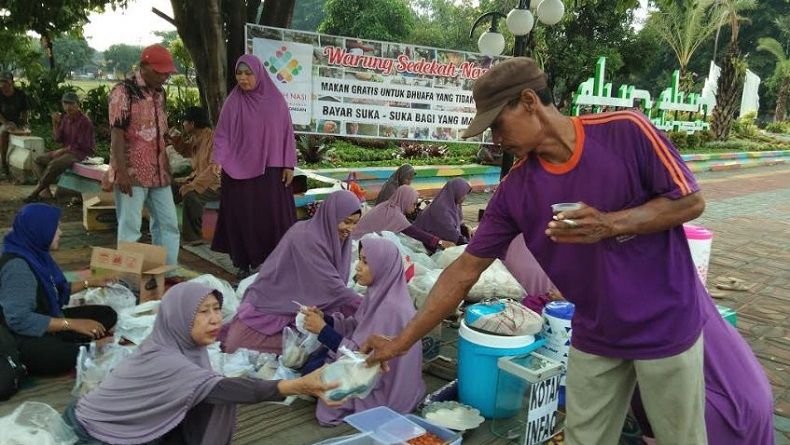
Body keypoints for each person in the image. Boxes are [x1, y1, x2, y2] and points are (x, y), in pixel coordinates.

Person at [362, 58, 710, 445]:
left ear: (529, 101)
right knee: (584, 439)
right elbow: (463, 272)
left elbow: (690, 202)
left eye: (497, 123)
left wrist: (610, 225)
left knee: (681, 438)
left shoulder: (626, 132)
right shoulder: (516, 190)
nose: (495, 139)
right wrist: (400, 342)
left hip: (664, 321)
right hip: (595, 331)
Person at [62, 282, 338, 445]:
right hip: (92, 434)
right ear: (178, 316)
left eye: (217, 309)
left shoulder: (183, 346)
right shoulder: (166, 357)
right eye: (203, 312)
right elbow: (228, 389)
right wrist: (298, 385)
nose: (215, 319)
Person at [300, 237, 425, 425]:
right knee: (313, 366)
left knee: (318, 380)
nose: (358, 266)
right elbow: (357, 326)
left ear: (383, 267)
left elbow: (363, 358)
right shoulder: (380, 294)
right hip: (372, 367)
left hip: (384, 384)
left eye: (366, 262)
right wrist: (324, 319)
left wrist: (323, 330)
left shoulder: (391, 308)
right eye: (359, 259)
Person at [222, 190, 362, 354]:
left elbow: (334, 290)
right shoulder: (306, 237)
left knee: (323, 340)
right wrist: (370, 306)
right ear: (332, 216)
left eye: (355, 223)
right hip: (272, 305)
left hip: (305, 308)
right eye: (346, 221)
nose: (350, 229)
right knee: (238, 343)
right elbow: (334, 289)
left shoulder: (335, 239)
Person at [632, 296, 774, 445]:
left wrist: (649, 433)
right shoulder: (683, 287)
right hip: (756, 400)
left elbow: (644, 381)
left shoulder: (640, 309)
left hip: (716, 417)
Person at [0, 204, 117, 377]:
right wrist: (72, 324)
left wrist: (92, 282)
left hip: (49, 318)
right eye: (55, 228)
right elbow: (19, 319)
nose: (60, 232)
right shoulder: (18, 267)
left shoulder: (35, 253)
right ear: (39, 230)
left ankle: (74, 341)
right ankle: (83, 347)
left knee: (106, 314)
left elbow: (55, 290)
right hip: (20, 335)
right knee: (60, 355)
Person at [212, 55, 297, 278]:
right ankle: (243, 261)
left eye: (247, 73)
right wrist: (217, 160)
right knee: (242, 217)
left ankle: (272, 261)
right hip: (238, 172)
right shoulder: (234, 101)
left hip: (270, 170)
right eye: (239, 74)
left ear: (258, 73)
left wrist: (289, 164)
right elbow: (222, 135)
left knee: (270, 217)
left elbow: (287, 133)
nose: (242, 78)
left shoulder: (276, 101)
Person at [108, 44, 180, 266]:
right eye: (160, 72)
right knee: (130, 227)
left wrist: (167, 160)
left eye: (167, 72)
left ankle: (166, 273)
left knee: (168, 224)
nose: (165, 77)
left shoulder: (160, 93)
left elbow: (160, 133)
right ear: (143, 67)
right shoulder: (124, 91)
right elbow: (117, 134)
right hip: (132, 172)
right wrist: (121, 171)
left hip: (159, 172)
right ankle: (128, 280)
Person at [25, 92, 95, 203]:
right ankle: (46, 191)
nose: (68, 107)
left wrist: (62, 151)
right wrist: (55, 124)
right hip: (67, 152)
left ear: (77, 105)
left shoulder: (84, 121)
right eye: (65, 104)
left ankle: (35, 192)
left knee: (54, 164)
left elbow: (81, 145)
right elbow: (58, 139)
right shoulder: (66, 118)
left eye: (71, 104)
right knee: (37, 160)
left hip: (81, 154)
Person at [167, 106, 220, 246]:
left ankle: (194, 236)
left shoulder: (213, 138)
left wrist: (193, 185)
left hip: (215, 185)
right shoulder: (197, 137)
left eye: (184, 121)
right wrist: (177, 139)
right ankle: (165, 227)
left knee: (190, 195)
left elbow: (213, 170)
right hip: (198, 179)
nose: (183, 124)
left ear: (193, 124)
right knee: (168, 187)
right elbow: (186, 151)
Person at [352, 185, 455, 252]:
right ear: (405, 200)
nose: (414, 207)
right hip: (357, 246)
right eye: (413, 203)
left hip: (356, 240)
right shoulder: (394, 214)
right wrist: (441, 243)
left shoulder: (388, 206)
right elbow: (415, 233)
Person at [413, 178, 472, 245]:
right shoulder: (441, 209)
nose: (465, 197)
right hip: (422, 241)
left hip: (437, 238)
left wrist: (465, 227)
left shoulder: (454, 204)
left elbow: (456, 223)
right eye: (463, 194)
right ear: (457, 192)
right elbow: (450, 232)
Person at [0, 71, 29, 178]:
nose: (3, 85)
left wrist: (24, 123)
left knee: (26, 134)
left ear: (11, 82)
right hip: (3, 122)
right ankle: (3, 165)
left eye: (5, 82)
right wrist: (6, 124)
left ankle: (25, 167)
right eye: (1, 82)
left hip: (16, 122)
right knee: (3, 132)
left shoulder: (20, 94)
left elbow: (24, 111)